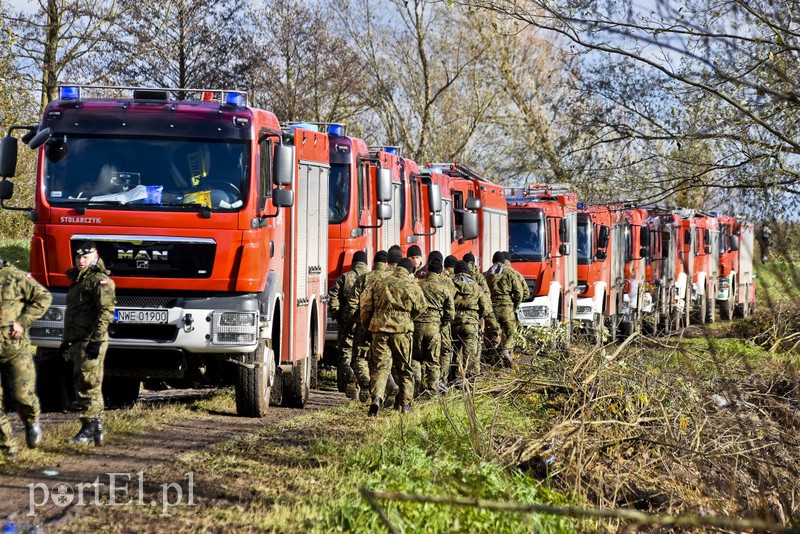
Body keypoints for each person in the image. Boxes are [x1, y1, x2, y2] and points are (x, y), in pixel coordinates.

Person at [62, 240, 116, 446]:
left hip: (90, 340)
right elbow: (74, 313)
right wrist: (66, 342)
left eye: (85, 257)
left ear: (95, 257)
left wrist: (96, 340)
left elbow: (106, 312)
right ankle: (94, 429)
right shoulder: (79, 280)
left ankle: (89, 429)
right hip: (78, 340)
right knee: (84, 383)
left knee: (89, 384)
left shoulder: (100, 281)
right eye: (78, 257)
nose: (80, 261)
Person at [0, 257, 52, 463]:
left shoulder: (15, 276)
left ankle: (31, 421)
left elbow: (43, 297)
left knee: (21, 396)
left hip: (15, 350)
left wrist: (22, 322)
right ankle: (8, 450)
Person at [360, 258, 427, 415]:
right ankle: (405, 406)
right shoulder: (412, 286)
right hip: (401, 332)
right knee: (404, 368)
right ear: (410, 271)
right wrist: (407, 318)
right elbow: (421, 308)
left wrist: (366, 327)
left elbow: (365, 306)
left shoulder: (378, 281)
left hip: (379, 329)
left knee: (380, 367)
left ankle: (376, 398)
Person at [327, 251, 369, 399]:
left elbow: (332, 297)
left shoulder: (344, 278)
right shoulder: (371, 278)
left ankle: (349, 377)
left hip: (347, 322)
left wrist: (338, 315)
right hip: (366, 324)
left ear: (353, 262)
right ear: (365, 262)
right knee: (362, 356)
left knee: (345, 353)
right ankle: (364, 380)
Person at [412, 254, 454, 395]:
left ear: (428, 271)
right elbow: (450, 312)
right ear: (441, 273)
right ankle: (431, 391)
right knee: (433, 360)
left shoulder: (418, 284)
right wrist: (443, 323)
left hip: (417, 326)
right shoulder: (444, 288)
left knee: (415, 357)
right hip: (434, 327)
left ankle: (416, 384)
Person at [451, 261, 499, 380]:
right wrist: (479, 318)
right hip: (471, 324)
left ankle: (452, 379)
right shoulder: (476, 287)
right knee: (470, 356)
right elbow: (486, 308)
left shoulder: (450, 285)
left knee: (452, 353)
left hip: (453, 324)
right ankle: (471, 380)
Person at [484, 251, 523, 365]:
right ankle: (506, 350)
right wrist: (514, 305)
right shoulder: (510, 273)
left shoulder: (486, 274)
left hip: (492, 309)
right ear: (503, 261)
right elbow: (519, 293)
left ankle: (493, 362)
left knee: (494, 334)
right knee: (512, 333)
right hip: (507, 307)